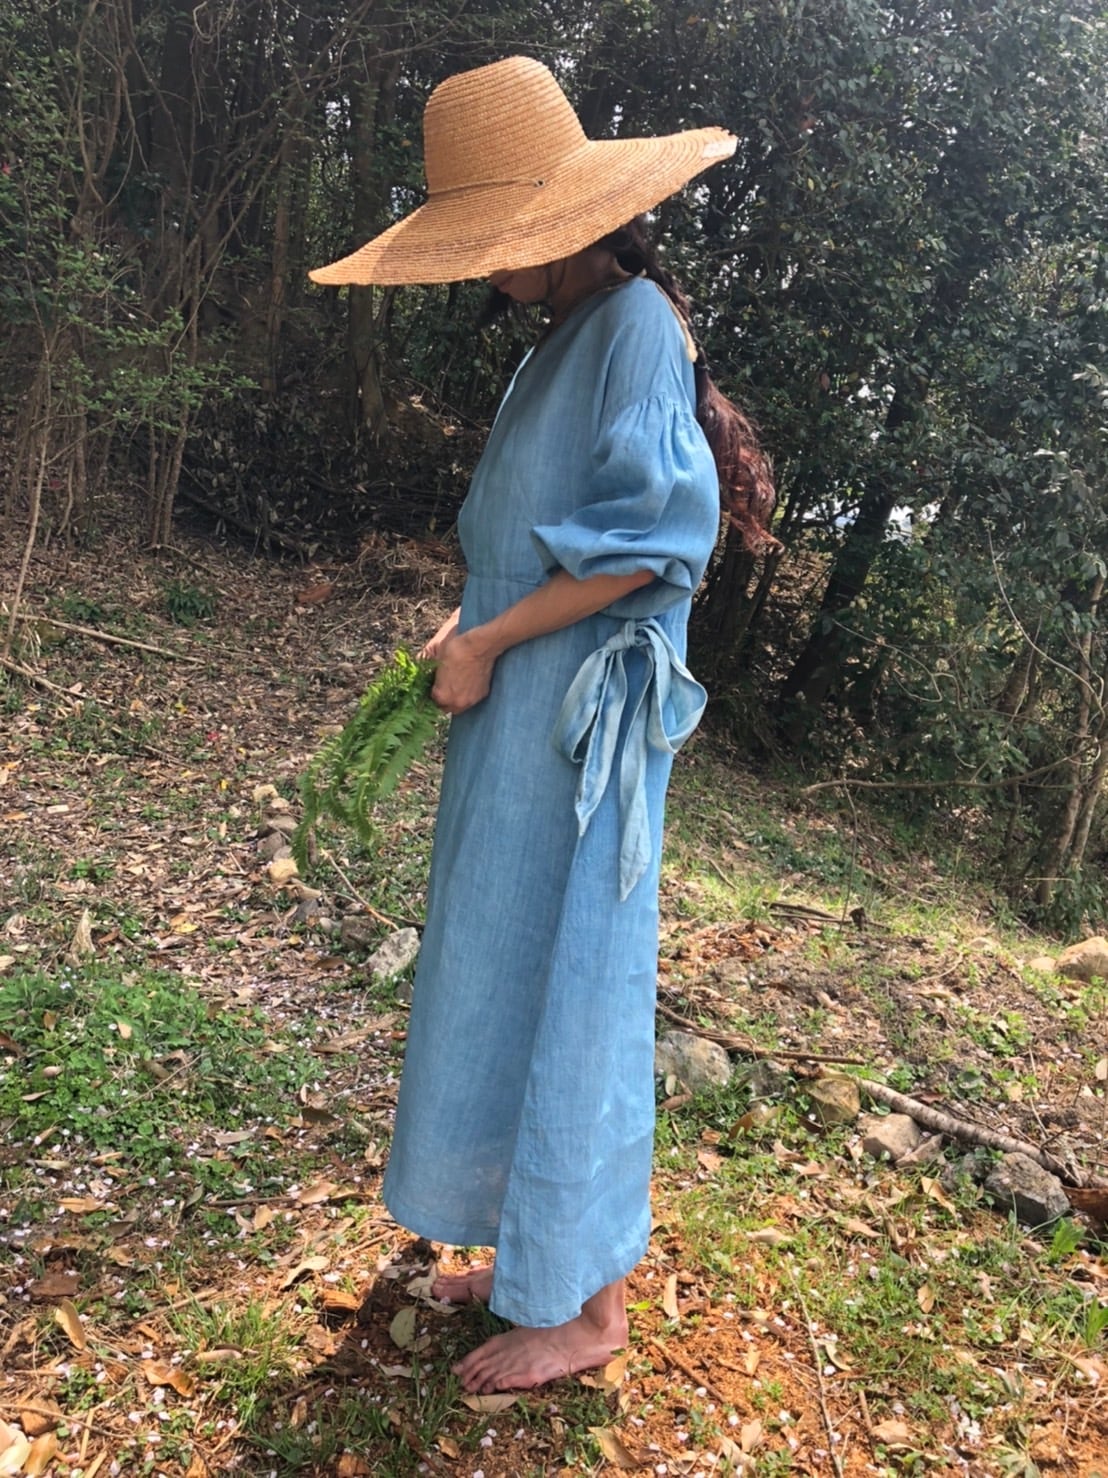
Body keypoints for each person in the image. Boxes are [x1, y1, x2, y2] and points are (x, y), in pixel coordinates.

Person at [309, 55, 775, 1395]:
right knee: (504, 969)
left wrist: (493, 638)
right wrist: (468, 627)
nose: (483, 266)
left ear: (566, 223)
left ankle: (593, 1311)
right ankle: (532, 1258)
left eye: (493, 239)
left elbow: (653, 545)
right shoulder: (564, 336)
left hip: (578, 731)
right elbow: (539, 544)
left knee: (578, 980)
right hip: (519, 715)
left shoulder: (632, 327)